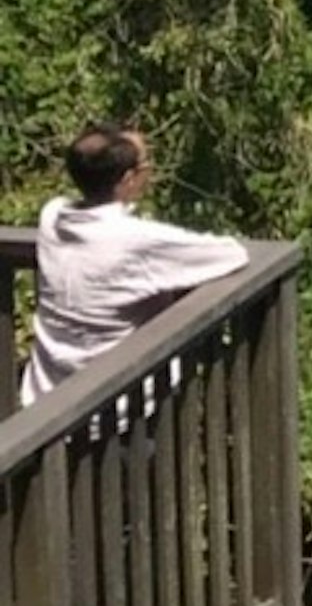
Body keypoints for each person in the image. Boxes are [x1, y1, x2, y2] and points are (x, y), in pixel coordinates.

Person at [16, 126, 249, 407]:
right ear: (127, 179)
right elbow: (230, 254)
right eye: (145, 165)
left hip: (46, 398)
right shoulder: (134, 240)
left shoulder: (51, 217)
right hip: (119, 409)